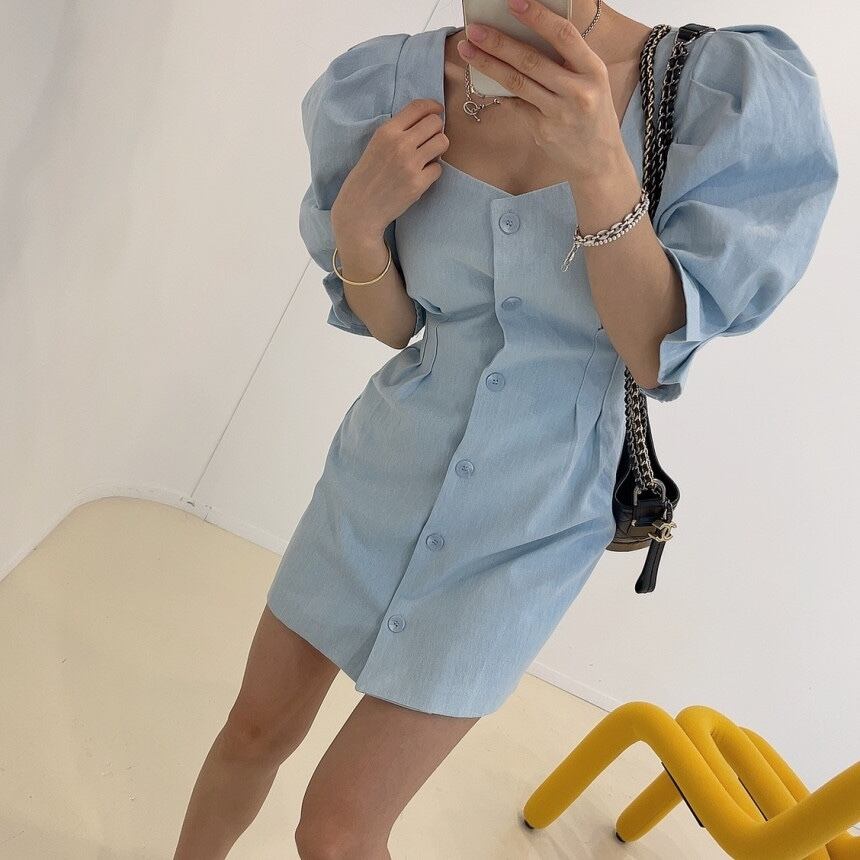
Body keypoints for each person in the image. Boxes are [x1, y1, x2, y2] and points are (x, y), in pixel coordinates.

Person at [173, 1, 839, 856]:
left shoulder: (716, 93)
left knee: (338, 830)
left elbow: (650, 354)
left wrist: (600, 164)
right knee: (253, 731)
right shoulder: (386, 84)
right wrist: (356, 229)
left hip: (532, 519)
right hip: (379, 473)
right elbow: (398, 328)